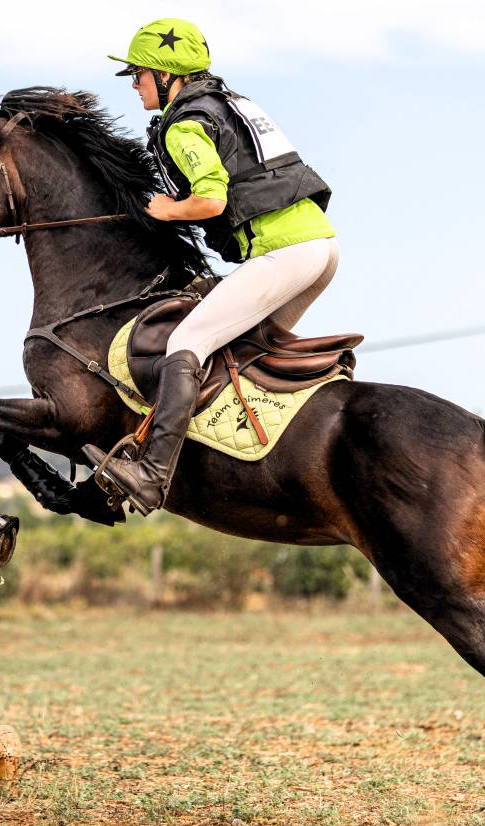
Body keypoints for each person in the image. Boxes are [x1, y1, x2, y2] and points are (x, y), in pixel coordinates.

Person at [85, 17, 338, 516]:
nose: (134, 85)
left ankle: (153, 476)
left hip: (285, 253)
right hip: (320, 250)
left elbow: (212, 200)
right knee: (234, 351)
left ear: (166, 75)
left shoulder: (184, 125)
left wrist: (167, 210)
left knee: (186, 343)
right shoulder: (228, 104)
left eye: (138, 73)